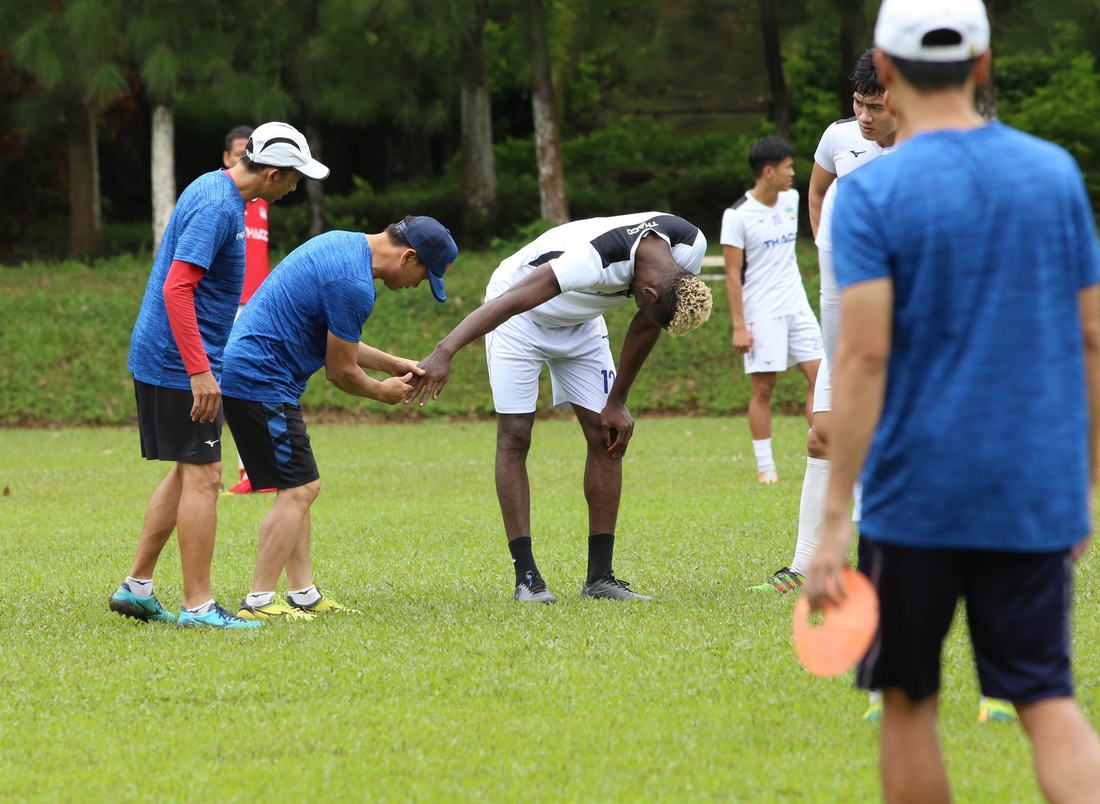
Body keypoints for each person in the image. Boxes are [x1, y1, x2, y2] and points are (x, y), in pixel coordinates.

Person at [804, 0, 1100, 800]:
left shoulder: (868, 196)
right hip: (1029, 485)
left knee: (906, 703)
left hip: (912, 498)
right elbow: (1090, 340)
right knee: (1047, 700)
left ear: (887, 76)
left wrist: (836, 523)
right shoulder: (1053, 174)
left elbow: (863, 355)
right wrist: (1083, 486)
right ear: (981, 66)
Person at [405, 213, 712, 603]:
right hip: (520, 313)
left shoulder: (688, 250)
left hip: (581, 320)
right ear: (649, 294)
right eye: (647, 306)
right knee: (515, 435)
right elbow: (514, 301)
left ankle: (600, 578)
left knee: (608, 435)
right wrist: (445, 350)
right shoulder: (593, 258)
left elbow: (648, 323)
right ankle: (527, 577)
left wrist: (617, 400)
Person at [110, 122, 329, 629]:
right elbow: (176, 289)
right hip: (177, 361)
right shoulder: (217, 207)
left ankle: (137, 587)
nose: (296, 187)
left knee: (188, 470)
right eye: (295, 178)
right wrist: (200, 372)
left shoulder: (218, 189)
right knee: (206, 476)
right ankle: (199, 606)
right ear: (273, 174)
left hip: (173, 355)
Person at [220, 217, 458, 620]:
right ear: (408, 256)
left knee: (297, 486)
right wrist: (382, 392)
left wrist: (392, 363)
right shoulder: (354, 285)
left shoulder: (344, 246)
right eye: (423, 275)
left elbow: (338, 337)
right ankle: (258, 601)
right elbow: (341, 370)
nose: (418, 285)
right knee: (301, 488)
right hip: (260, 379)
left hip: (258, 375)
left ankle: (303, 593)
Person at [721, 137, 822, 483]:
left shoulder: (793, 199)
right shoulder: (737, 216)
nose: (793, 173)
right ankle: (767, 468)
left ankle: (827, 453)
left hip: (798, 306)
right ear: (768, 171)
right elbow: (733, 274)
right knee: (763, 390)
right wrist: (739, 326)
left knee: (821, 380)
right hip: (761, 312)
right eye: (788, 167)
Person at [221, 124, 276, 496]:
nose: (246, 156)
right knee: (234, 384)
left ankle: (258, 473)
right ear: (227, 158)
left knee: (258, 382)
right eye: (241, 150)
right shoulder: (225, 200)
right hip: (229, 306)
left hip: (260, 304)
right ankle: (251, 473)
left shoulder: (263, 202)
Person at [807, 49, 898, 239]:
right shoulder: (837, 135)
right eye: (858, 103)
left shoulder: (927, 145)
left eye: (876, 107)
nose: (864, 117)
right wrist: (826, 249)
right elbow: (818, 193)